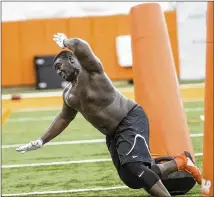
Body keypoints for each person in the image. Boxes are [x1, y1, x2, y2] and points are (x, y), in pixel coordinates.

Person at [16, 33, 202, 197]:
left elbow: (80, 45)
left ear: (72, 60)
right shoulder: (69, 94)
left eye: (59, 66)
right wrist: (41, 141)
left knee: (135, 168)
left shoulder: (92, 71)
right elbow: (64, 118)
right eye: (55, 69)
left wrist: (65, 41)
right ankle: (180, 161)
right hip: (112, 134)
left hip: (130, 119)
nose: (58, 71)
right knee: (132, 179)